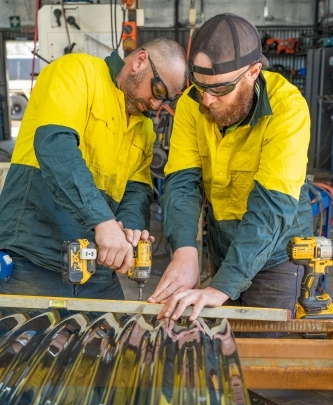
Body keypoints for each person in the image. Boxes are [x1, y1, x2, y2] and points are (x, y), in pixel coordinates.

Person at [148, 13, 313, 335]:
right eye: (199, 88)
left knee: (265, 353)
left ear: (253, 73)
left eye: (220, 90)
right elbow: (182, 183)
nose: (207, 101)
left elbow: (272, 207)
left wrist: (222, 286)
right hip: (224, 244)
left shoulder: (288, 110)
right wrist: (185, 251)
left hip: (277, 251)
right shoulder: (192, 105)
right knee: (222, 341)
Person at [0, 38, 188, 303]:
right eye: (158, 90)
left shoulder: (143, 127)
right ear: (140, 61)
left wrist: (130, 228)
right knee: (24, 343)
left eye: (167, 100)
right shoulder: (76, 72)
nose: (157, 106)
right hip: (34, 259)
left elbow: (137, 188)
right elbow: (56, 147)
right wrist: (103, 222)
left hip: (96, 271)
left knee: (114, 340)